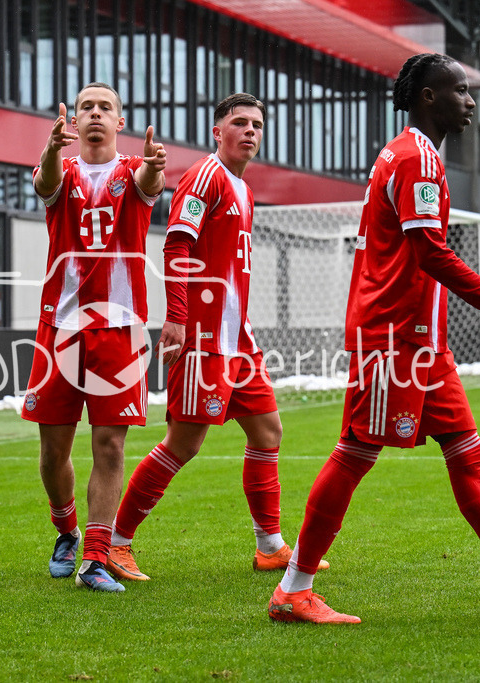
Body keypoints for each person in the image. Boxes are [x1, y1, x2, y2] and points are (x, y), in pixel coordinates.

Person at [267, 54, 480, 625]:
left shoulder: (414, 154)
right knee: (355, 454)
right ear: (428, 97)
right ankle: (293, 589)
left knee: (468, 456)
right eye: (460, 91)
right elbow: (429, 254)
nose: (469, 101)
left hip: (421, 340)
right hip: (393, 337)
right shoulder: (416, 158)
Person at [106, 93, 330, 583]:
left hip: (238, 340)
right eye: (240, 123)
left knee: (267, 431)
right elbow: (177, 242)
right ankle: (115, 545)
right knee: (183, 444)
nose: (250, 131)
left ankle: (269, 546)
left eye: (257, 124)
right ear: (217, 131)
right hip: (204, 337)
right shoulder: (205, 176)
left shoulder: (242, 188)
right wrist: (178, 318)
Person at [23, 82, 166, 592]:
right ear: (73, 121)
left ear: (119, 121)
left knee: (109, 446)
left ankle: (97, 558)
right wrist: (48, 150)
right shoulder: (58, 169)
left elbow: (149, 183)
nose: (96, 114)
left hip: (121, 332)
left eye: (106, 107)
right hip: (59, 329)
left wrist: (154, 163)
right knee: (52, 450)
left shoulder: (132, 171)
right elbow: (46, 186)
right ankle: (66, 530)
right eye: (87, 107)